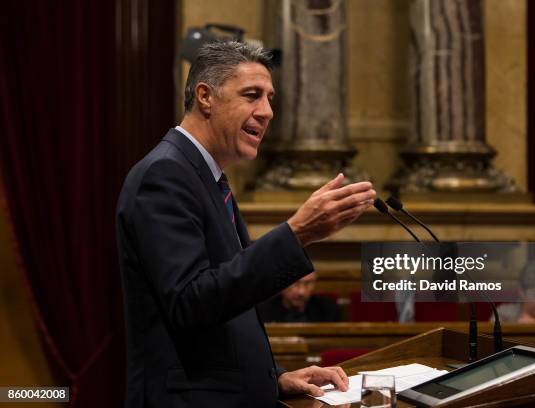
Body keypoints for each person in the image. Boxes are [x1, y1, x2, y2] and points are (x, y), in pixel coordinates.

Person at [116, 41, 376, 407]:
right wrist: (297, 233)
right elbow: (192, 303)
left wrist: (276, 375)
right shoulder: (166, 174)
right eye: (252, 95)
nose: (267, 112)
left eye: (270, 98)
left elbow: (229, 307)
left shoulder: (207, 177)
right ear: (205, 96)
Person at [259, 272, 342, 322]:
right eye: (295, 283)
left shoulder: (328, 309)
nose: (301, 292)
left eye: (308, 283)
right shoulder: (262, 311)